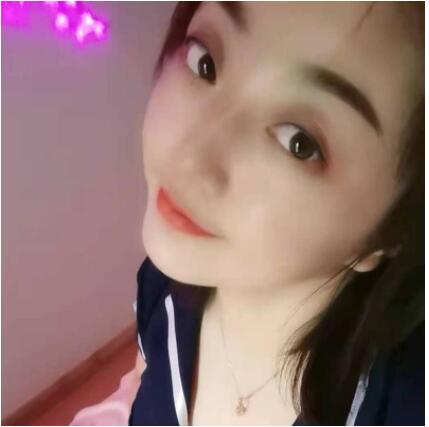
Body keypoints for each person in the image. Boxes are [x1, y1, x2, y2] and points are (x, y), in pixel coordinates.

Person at [70, 1, 424, 425]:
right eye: (205, 62)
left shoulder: (402, 405)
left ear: (389, 232)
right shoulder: (163, 289)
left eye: (299, 143)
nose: (189, 158)